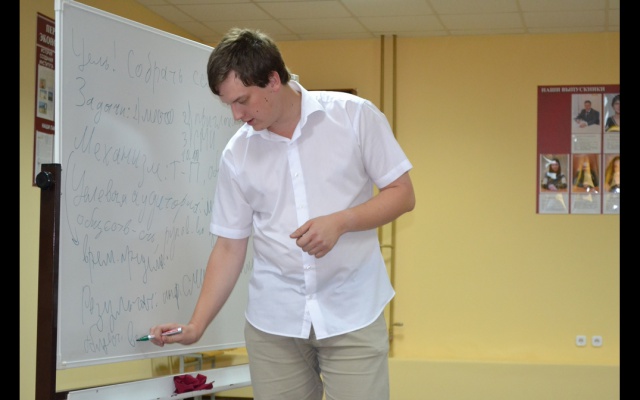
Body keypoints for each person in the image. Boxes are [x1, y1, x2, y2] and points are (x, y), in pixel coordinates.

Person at [148, 28, 415, 400]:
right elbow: (229, 246)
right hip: (274, 324)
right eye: (229, 104)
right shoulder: (237, 154)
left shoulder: (354, 116)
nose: (236, 115)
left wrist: (341, 222)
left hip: (352, 312)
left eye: (242, 100)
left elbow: (402, 194)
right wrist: (196, 326)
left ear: (273, 80)